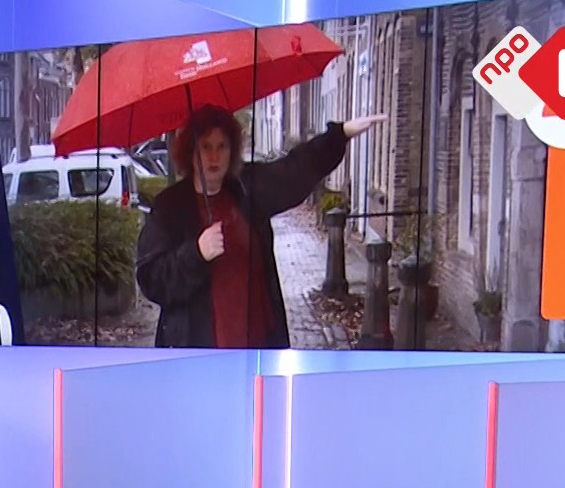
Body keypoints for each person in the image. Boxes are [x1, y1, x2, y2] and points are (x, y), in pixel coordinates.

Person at [136, 104, 387, 348]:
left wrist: (339, 135)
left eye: (221, 146)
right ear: (190, 151)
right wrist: (197, 253)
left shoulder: (246, 188)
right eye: (205, 147)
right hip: (200, 353)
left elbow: (293, 171)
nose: (214, 157)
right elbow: (152, 279)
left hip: (258, 344)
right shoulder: (171, 206)